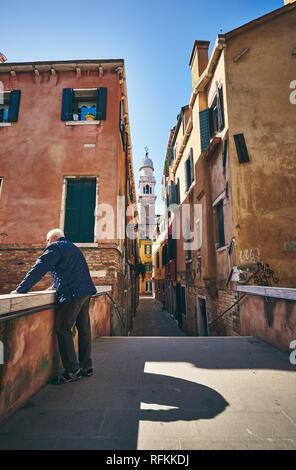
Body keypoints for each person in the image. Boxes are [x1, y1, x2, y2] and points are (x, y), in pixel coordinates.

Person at [11, 228, 97, 385]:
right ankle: (86, 367)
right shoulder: (73, 248)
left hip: (73, 293)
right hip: (86, 291)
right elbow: (70, 270)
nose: (46, 243)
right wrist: (55, 285)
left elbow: (39, 268)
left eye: (47, 240)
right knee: (84, 329)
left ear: (54, 239)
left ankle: (72, 371)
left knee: (63, 327)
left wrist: (20, 290)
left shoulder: (55, 247)